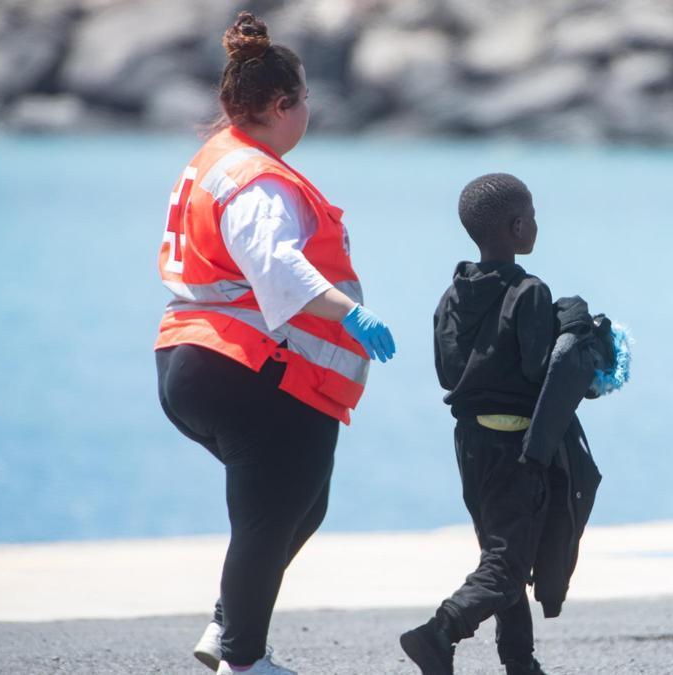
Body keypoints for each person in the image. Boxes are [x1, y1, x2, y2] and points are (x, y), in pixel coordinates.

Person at [154, 12, 395, 675]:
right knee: (272, 508)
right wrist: (352, 315)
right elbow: (277, 266)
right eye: (306, 98)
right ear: (282, 105)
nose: (308, 109)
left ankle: (230, 626)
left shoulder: (218, 159)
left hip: (188, 358)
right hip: (241, 366)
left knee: (300, 503)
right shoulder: (260, 181)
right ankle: (243, 657)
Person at [400, 173, 556, 675]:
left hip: (470, 442)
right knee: (508, 565)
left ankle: (520, 662)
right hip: (516, 445)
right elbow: (538, 368)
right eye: (531, 215)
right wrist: (570, 330)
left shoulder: (451, 296)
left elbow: (448, 372)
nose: (535, 223)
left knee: (501, 553)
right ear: (516, 227)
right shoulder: (530, 291)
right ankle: (439, 632)